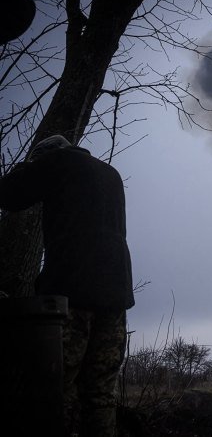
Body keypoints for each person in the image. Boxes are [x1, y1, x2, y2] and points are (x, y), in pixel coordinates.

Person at [0, 134, 134, 436]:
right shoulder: (110, 173)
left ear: (47, 155)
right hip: (116, 293)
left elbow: (9, 195)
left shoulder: (57, 162)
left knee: (59, 385)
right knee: (100, 391)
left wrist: (25, 167)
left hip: (72, 292)